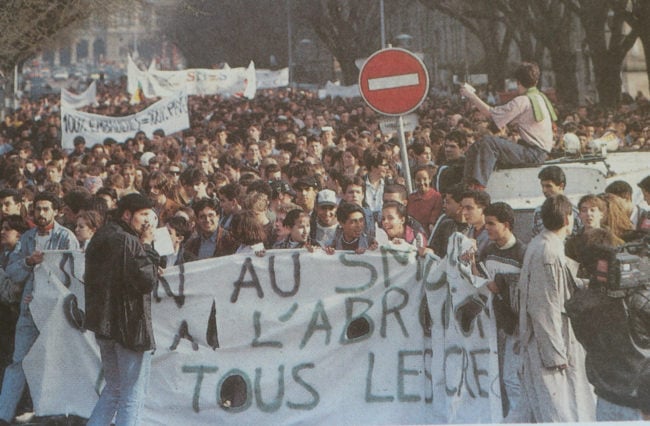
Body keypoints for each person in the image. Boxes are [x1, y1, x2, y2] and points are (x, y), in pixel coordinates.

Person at [0, 192, 79, 425]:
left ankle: (48, 413)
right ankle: (3, 415)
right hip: (28, 311)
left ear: (55, 210)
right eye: (38, 209)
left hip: (55, 313)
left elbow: (73, 276)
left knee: (51, 363)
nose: (42, 214)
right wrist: (28, 262)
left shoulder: (66, 237)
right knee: (19, 361)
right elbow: (12, 272)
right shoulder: (27, 238)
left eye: (46, 209)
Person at [518, 194, 595, 422]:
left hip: (552, 340)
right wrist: (555, 354)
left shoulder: (546, 245)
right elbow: (545, 305)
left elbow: (561, 286)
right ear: (566, 218)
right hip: (550, 345)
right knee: (558, 411)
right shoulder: (547, 252)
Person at [84, 193, 160, 425]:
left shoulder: (103, 235)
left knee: (114, 389)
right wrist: (147, 245)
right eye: (143, 214)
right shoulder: (129, 240)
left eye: (151, 214)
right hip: (129, 328)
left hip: (106, 327)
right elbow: (147, 280)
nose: (149, 221)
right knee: (132, 395)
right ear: (127, 214)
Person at [460, 62, 556, 190]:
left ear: (518, 82)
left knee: (488, 143)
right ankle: (466, 184)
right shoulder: (540, 97)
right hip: (538, 151)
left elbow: (491, 114)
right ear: (536, 80)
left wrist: (471, 96)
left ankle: (478, 187)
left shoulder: (523, 101)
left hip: (533, 153)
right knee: (477, 145)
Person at [475, 202, 527, 422]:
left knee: (512, 381)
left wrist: (502, 287)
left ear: (506, 225)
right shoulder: (488, 249)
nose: (486, 228)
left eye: (491, 224)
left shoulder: (523, 253)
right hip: (494, 327)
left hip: (516, 328)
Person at [531, 166, 582, 237]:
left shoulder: (576, 213)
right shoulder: (538, 212)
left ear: (561, 186)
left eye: (548, 186)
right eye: (542, 186)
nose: (544, 190)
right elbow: (535, 239)